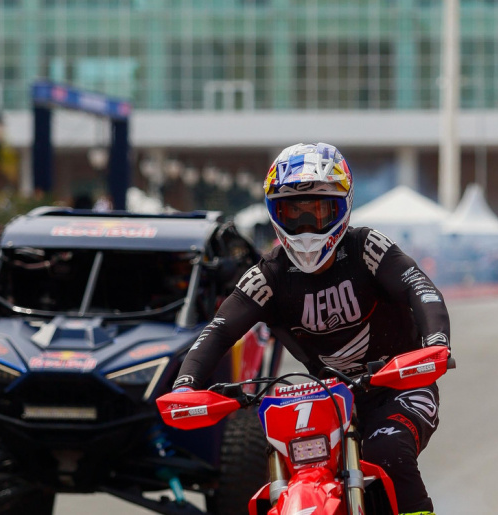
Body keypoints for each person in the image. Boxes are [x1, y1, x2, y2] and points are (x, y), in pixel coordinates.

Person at [173, 143, 450, 514]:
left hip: (401, 383)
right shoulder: (268, 275)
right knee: (278, 463)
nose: (306, 227)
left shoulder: (367, 246)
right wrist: (186, 385)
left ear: (343, 207)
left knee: (387, 451)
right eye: (292, 213)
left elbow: (420, 286)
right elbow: (220, 328)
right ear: (275, 214)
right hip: (333, 398)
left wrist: (436, 344)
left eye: (319, 210)